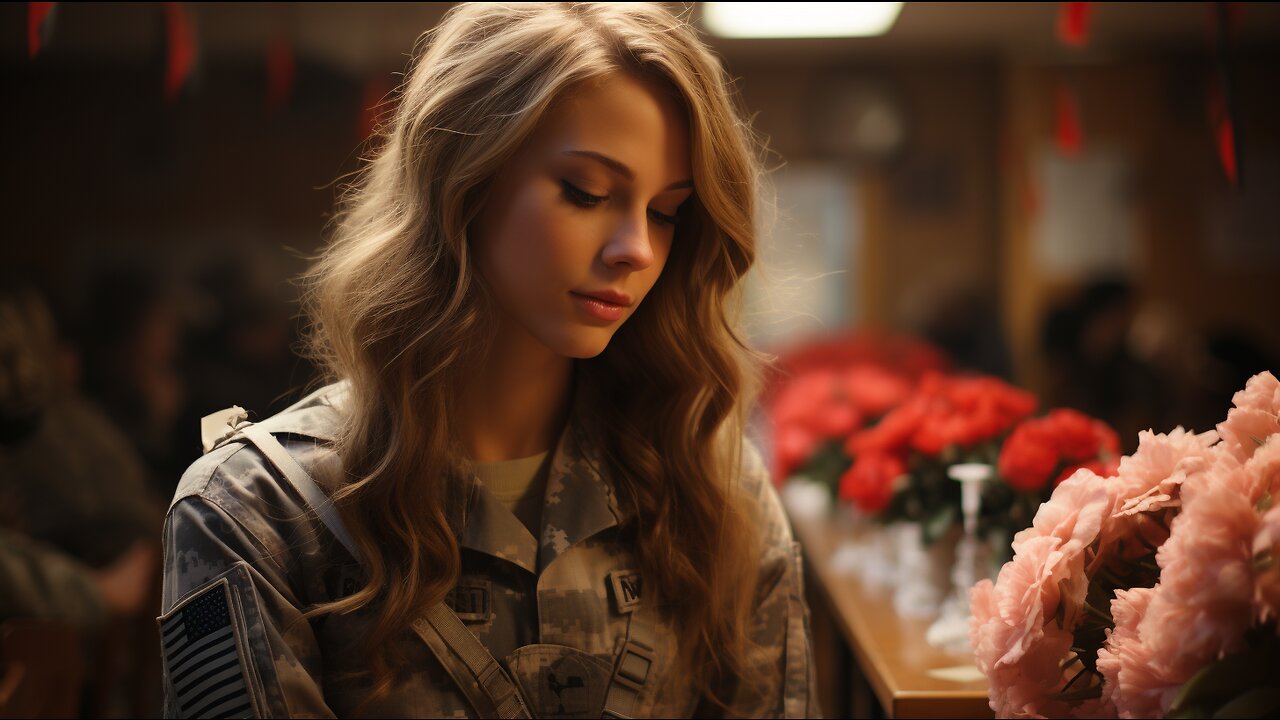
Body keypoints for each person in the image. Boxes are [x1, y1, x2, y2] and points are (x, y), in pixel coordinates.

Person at [159, 3, 819, 718]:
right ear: (461, 184)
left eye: (665, 212)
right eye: (587, 192)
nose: (638, 248)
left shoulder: (714, 489)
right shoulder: (259, 509)